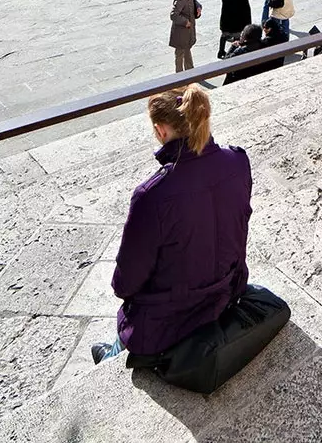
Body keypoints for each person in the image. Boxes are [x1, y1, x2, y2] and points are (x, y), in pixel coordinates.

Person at [94, 85, 251, 363]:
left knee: (127, 326)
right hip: (226, 294)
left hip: (170, 320)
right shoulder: (238, 162)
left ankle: (111, 355)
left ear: (161, 131)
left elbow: (125, 283)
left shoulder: (152, 196)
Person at [169, 0, 200, 72]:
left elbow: (195, 3)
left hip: (188, 31)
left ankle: (190, 71)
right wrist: (185, 22)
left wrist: (198, 7)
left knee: (187, 50)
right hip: (180, 33)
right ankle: (179, 75)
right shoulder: (180, 0)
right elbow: (173, 15)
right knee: (179, 54)